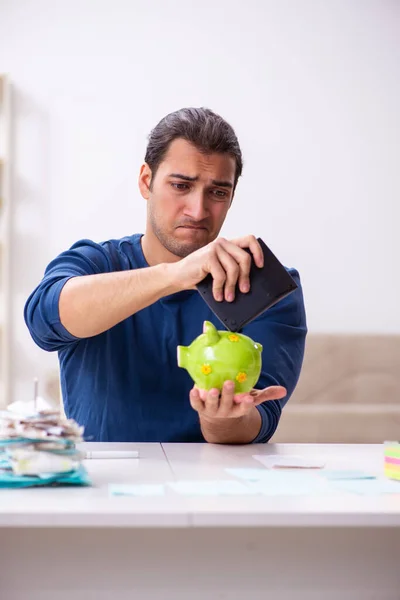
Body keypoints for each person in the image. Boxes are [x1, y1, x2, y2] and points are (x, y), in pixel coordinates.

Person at [24, 107, 307, 444]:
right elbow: (44, 324)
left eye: (218, 192)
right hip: (104, 484)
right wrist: (173, 276)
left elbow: (260, 418)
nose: (198, 210)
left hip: (216, 487)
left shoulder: (266, 287)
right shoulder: (95, 263)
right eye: (181, 185)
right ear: (147, 181)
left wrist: (221, 419)